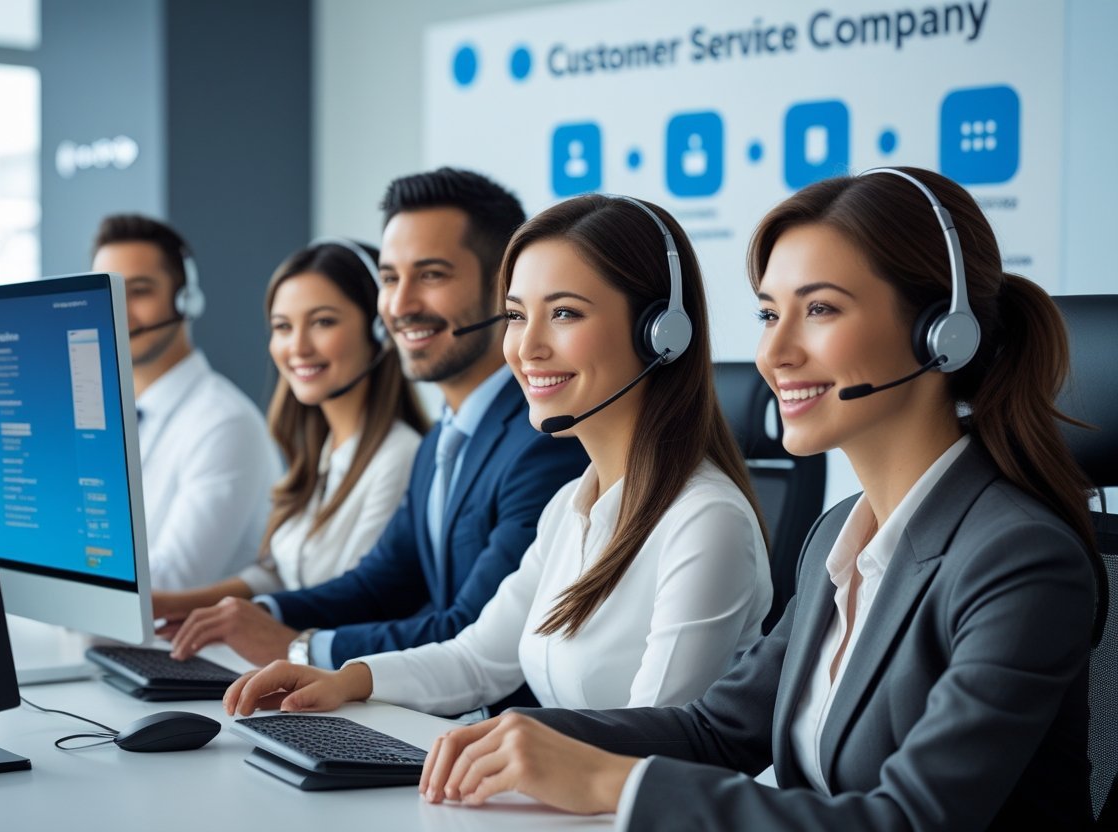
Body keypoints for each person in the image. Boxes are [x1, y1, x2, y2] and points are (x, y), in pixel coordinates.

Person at [409, 167, 1101, 830]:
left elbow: (910, 820)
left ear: (939, 334)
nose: (776, 352)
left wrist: (607, 781)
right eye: (770, 313)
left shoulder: (1019, 558)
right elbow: (718, 730)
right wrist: (518, 738)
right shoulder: (839, 538)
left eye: (821, 308)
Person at [222, 195, 773, 717]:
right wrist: (348, 680)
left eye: (564, 314)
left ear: (660, 334)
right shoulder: (569, 508)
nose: (526, 347)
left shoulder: (704, 521)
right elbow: (478, 658)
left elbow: (660, 736)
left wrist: (512, 743)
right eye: (514, 315)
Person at [167, 168, 589, 680]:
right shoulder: (446, 438)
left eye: (431, 275)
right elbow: (378, 583)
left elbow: (474, 630)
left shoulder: (546, 442)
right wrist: (261, 615)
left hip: (489, 731)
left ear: (507, 288)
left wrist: (301, 647)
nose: (400, 305)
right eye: (390, 279)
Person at [152, 240, 429, 627]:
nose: (297, 347)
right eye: (283, 327)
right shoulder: (324, 450)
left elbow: (359, 600)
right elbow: (279, 573)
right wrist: (168, 604)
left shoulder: (401, 458)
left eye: (322, 322)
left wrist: (248, 620)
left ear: (379, 331)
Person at [91, 214, 281, 591]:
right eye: (106, 293)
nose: (117, 309)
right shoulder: (110, 416)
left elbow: (171, 582)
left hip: (177, 646)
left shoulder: (224, 423)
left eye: (139, 290)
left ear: (185, 299)